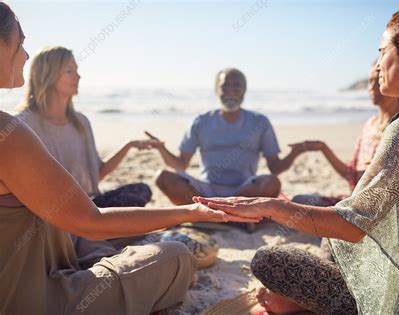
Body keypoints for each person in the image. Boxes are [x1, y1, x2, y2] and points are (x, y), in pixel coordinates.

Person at [195, 2, 399, 313]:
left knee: (268, 260)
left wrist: (271, 206)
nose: (379, 64)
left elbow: (352, 226)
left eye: (383, 52)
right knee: (330, 243)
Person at [0, 3, 259, 314]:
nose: (25, 56)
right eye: (21, 42)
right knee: (176, 257)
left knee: (111, 228)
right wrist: (193, 211)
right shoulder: (12, 131)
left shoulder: (74, 122)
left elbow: (88, 196)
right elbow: (90, 222)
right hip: (32, 299)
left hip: (54, 244)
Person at [18, 46, 154, 208]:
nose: (78, 76)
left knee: (140, 191)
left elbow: (97, 174)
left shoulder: (81, 122)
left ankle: (95, 230)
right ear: (48, 75)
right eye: (69, 71)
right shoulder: (24, 124)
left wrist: (129, 145)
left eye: (76, 70)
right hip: (52, 212)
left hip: (88, 207)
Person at [153, 68, 307, 205]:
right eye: (224, 86)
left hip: (245, 190)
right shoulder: (201, 121)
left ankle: (221, 212)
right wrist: (161, 149)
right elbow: (181, 165)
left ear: (244, 91)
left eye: (236, 86)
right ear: (216, 90)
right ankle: (216, 212)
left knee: (271, 182)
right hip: (206, 190)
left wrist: (295, 153)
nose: (230, 91)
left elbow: (275, 168)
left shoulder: (260, 122)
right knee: (163, 178)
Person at [291, 64, 399, 207]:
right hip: (353, 202)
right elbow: (351, 174)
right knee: (298, 201)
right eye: (369, 81)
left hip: (375, 210)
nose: (371, 87)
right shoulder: (370, 124)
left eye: (378, 81)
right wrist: (323, 148)